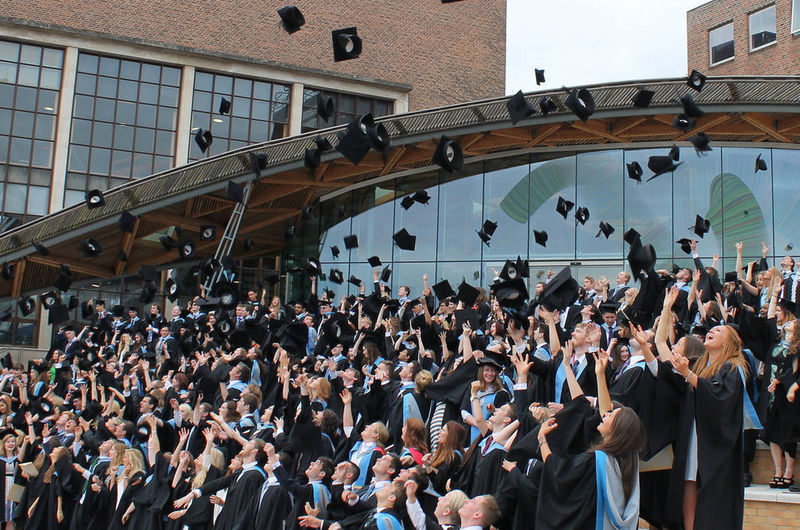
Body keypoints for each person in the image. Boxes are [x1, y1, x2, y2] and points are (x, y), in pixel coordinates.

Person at [667, 324, 747, 530]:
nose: (711, 331)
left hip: (715, 443)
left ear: (729, 342)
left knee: (711, 494)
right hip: (694, 436)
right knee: (689, 485)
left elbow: (718, 397)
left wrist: (688, 374)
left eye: (719, 331)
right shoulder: (700, 365)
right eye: (711, 329)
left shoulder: (732, 367)